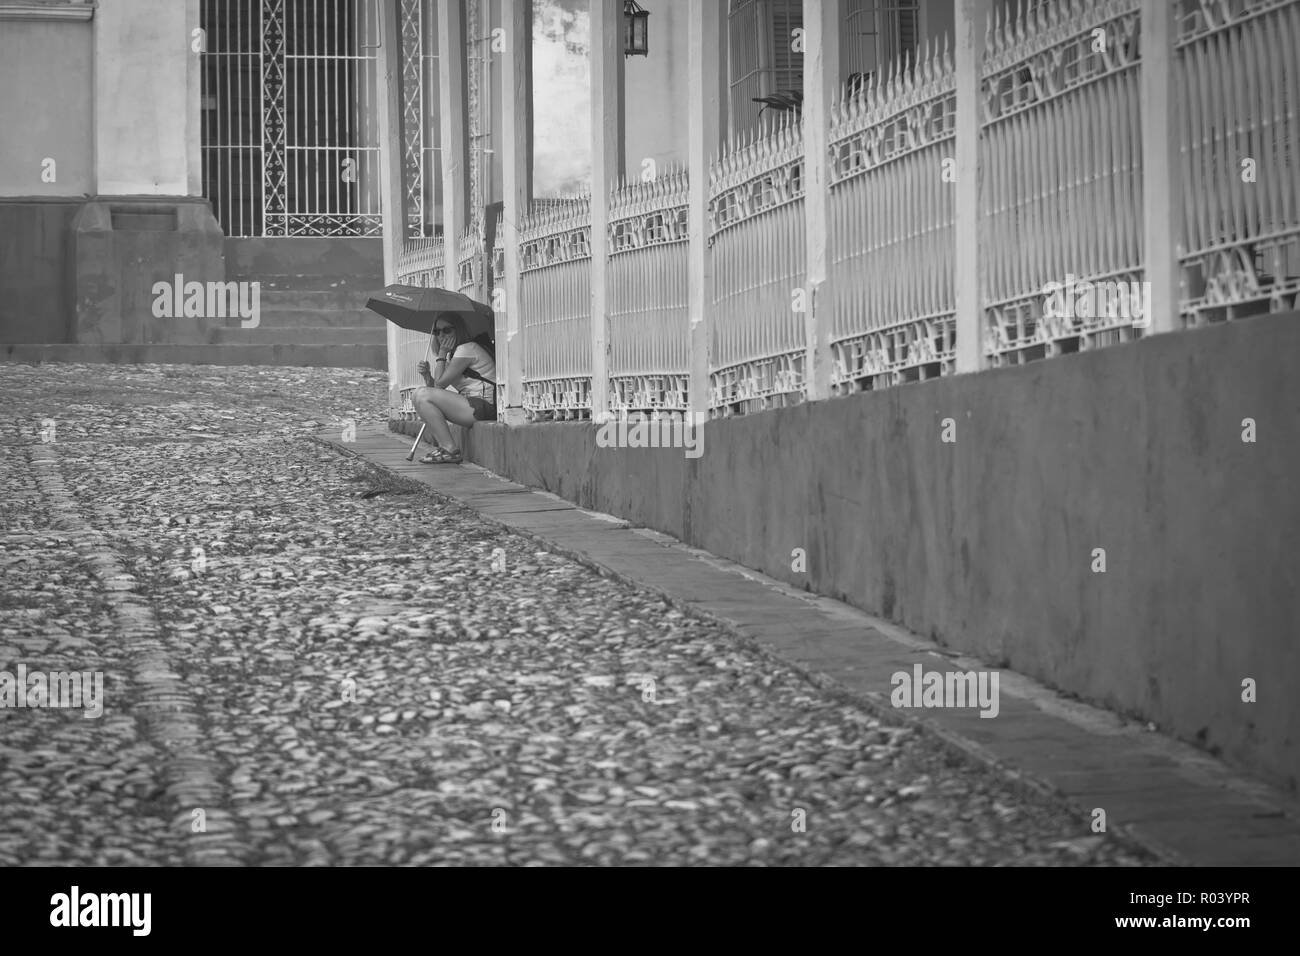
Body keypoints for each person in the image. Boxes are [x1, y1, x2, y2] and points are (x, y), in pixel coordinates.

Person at [412, 314, 497, 464]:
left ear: (458, 330)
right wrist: (426, 376)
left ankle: (449, 448)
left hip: (484, 405)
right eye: (437, 332)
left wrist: (442, 354)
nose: (441, 335)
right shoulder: (456, 353)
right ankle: (446, 447)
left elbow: (439, 385)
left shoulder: (467, 349)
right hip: (470, 404)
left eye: (446, 330)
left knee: (421, 394)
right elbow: (436, 390)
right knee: (418, 395)